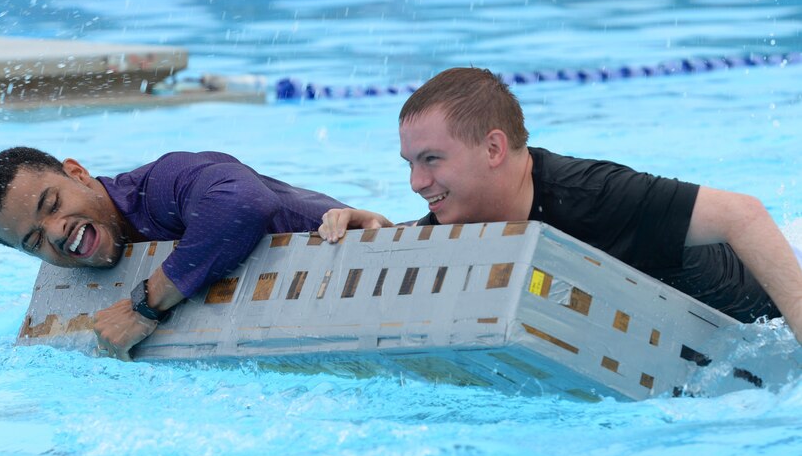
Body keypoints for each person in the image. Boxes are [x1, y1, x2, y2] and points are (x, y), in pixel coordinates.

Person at [319, 67, 802, 341]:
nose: (416, 181)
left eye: (431, 160)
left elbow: (745, 214)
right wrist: (379, 233)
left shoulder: (595, 194)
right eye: (410, 163)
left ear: (493, 149)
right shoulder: (462, 218)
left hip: (762, 322)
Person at [0, 147, 347, 360]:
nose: (56, 233)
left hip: (355, 258)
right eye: (34, 241)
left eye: (52, 203)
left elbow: (244, 202)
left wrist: (145, 304)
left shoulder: (161, 189)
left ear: (78, 173)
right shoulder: (73, 278)